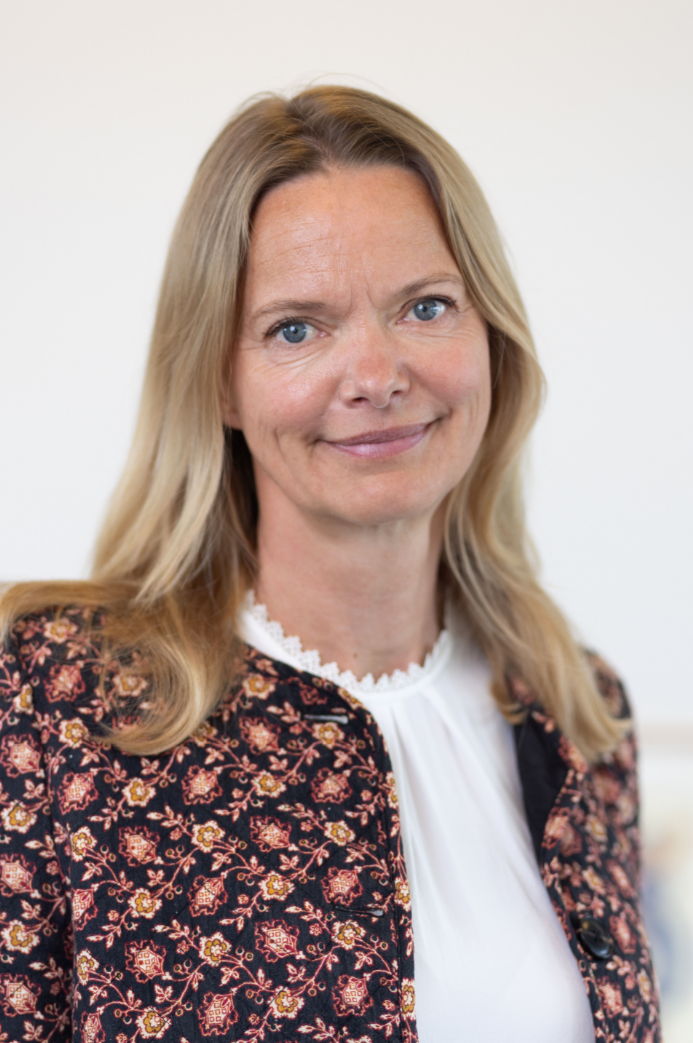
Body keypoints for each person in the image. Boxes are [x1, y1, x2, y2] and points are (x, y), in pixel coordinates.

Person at [0, 86, 659, 1043]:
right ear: (219, 381)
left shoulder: (580, 713)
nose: (377, 376)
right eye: (296, 329)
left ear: (490, 339)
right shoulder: (53, 693)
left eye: (425, 307)